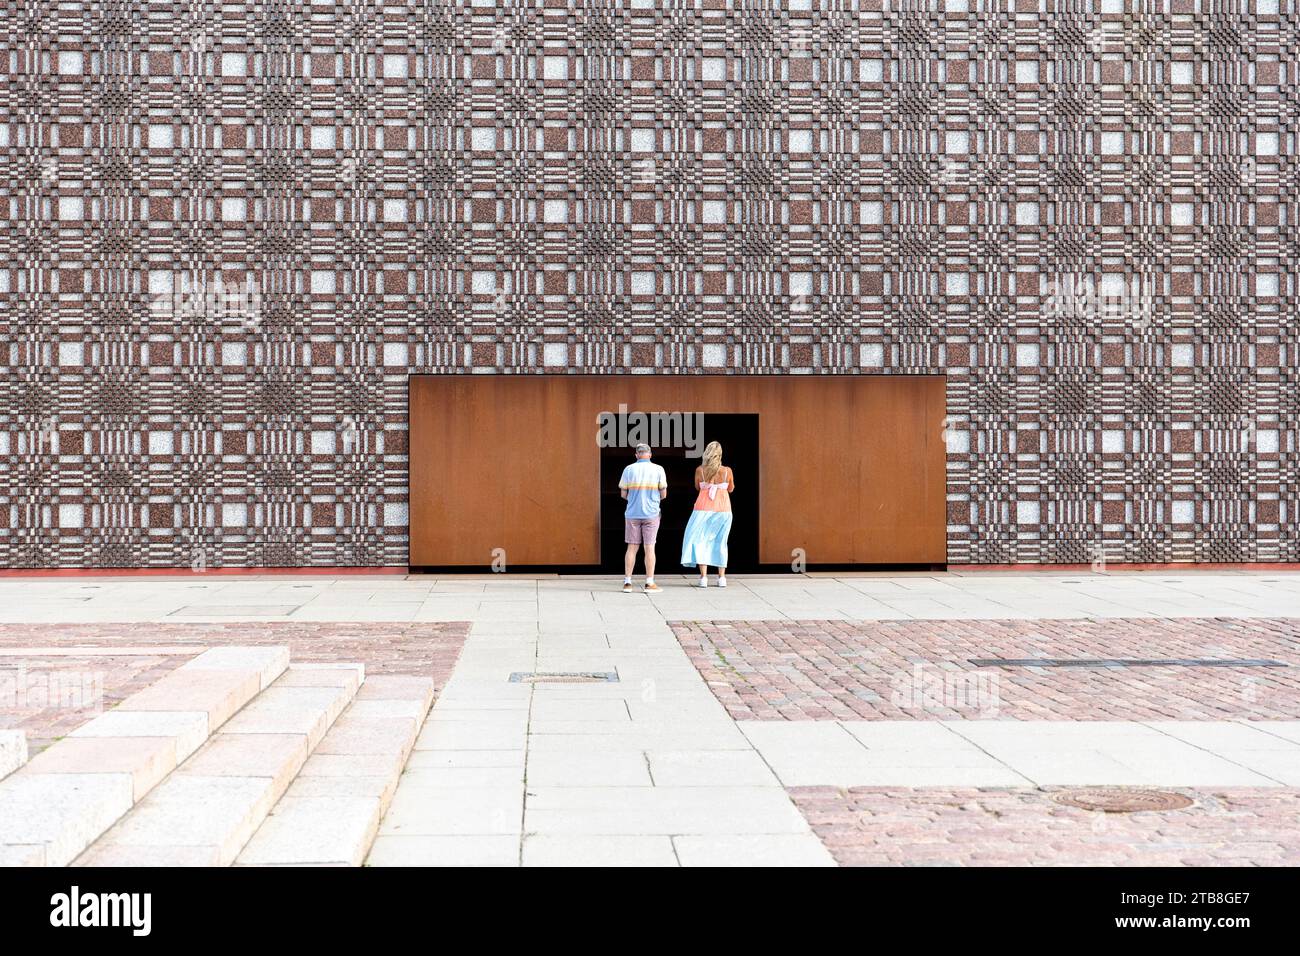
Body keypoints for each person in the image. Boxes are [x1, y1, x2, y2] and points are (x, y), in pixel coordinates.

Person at [680, 440, 734, 588]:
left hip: (702, 509)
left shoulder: (700, 470)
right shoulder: (727, 471)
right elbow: (731, 489)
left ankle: (703, 578)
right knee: (721, 541)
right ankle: (721, 578)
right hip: (723, 509)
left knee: (700, 541)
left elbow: (698, 487)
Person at [618, 443, 667, 592]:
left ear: (636, 455)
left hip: (632, 514)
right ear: (650, 455)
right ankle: (649, 583)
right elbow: (663, 494)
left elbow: (623, 494)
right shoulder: (659, 469)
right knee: (649, 548)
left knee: (631, 548)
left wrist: (635, 500)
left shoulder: (628, 469)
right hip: (651, 514)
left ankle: (627, 582)